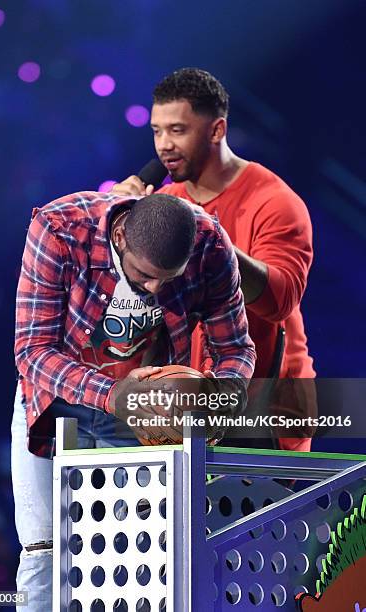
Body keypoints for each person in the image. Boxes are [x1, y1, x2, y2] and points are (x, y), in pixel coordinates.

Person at [12, 191, 255, 610]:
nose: (156, 288)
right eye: (145, 276)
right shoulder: (60, 229)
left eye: (169, 278)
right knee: (44, 551)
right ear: (121, 236)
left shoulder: (211, 246)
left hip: (145, 417)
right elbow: (32, 350)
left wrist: (219, 398)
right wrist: (111, 394)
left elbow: (236, 349)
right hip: (55, 403)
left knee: (137, 553)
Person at [111, 67, 317, 452]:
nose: (163, 145)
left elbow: (280, 300)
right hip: (189, 405)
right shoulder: (163, 206)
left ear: (217, 130)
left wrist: (206, 236)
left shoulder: (275, 202)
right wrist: (119, 230)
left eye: (177, 130)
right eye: (156, 131)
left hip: (265, 409)